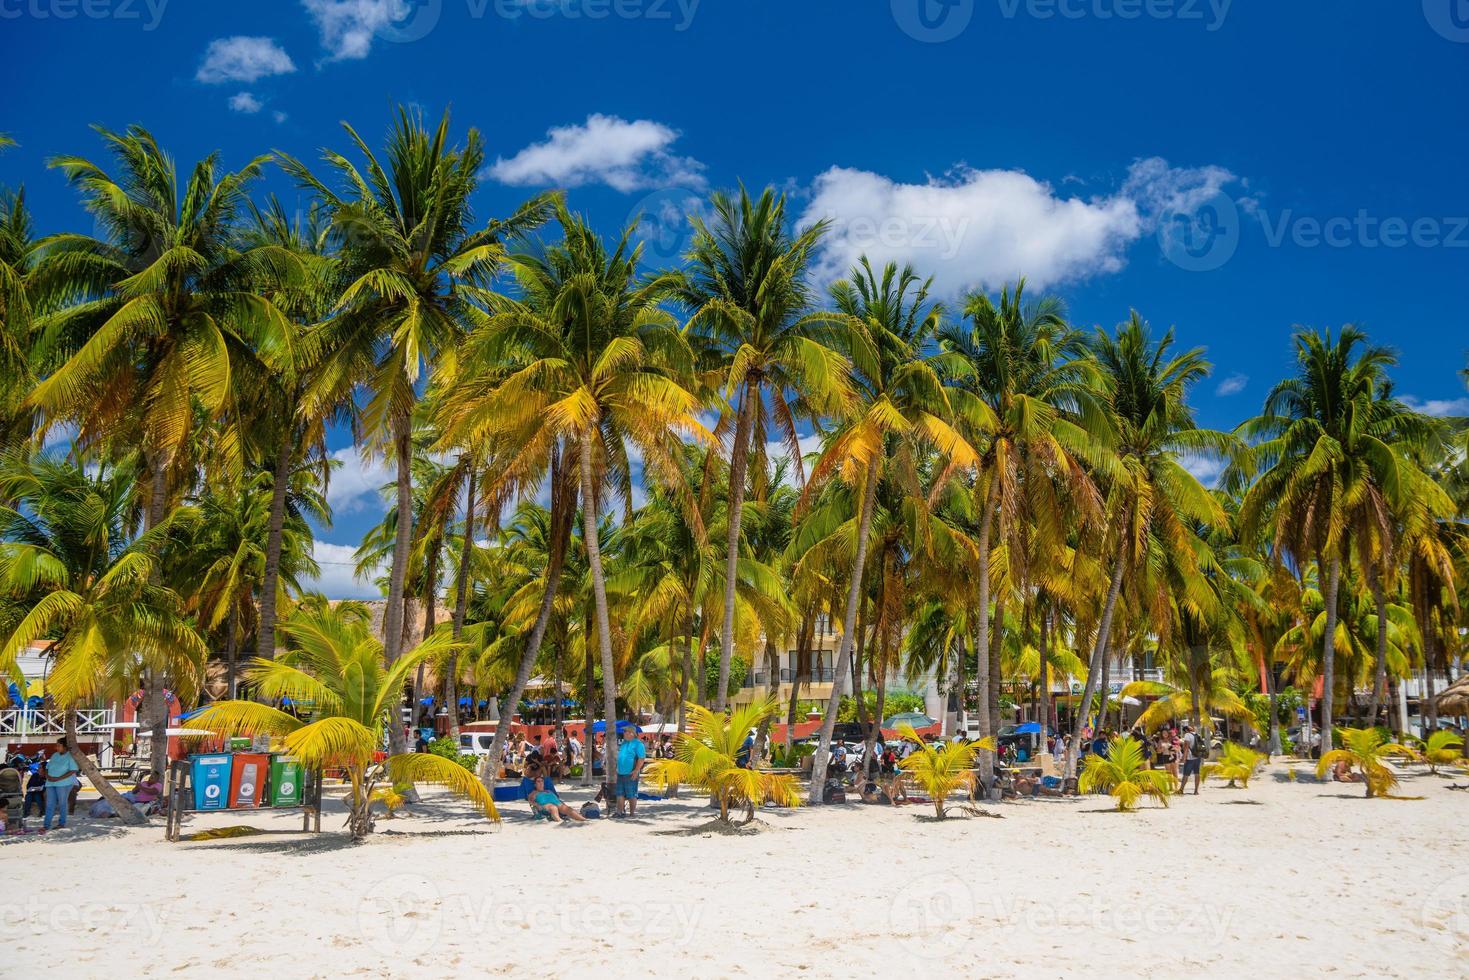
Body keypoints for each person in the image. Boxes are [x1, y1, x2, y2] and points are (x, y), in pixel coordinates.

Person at [43, 736, 80, 831]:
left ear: (65, 747)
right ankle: (46, 825)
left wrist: (59, 778)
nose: (57, 747)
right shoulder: (54, 755)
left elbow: (73, 770)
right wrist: (47, 776)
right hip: (50, 783)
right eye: (57, 745)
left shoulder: (70, 756)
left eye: (59, 745)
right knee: (50, 804)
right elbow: (47, 767)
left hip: (64, 784)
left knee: (62, 804)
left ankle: (61, 823)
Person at [613, 725, 646, 818]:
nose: (623, 733)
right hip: (620, 772)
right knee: (620, 793)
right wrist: (617, 768)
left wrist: (636, 770)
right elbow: (620, 757)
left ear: (631, 733)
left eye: (625, 731)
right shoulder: (624, 743)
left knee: (631, 794)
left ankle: (632, 813)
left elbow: (641, 758)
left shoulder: (638, 744)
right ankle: (619, 812)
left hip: (630, 772)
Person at [1179, 725, 1204, 795]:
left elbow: (1186, 747)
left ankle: (1181, 790)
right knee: (1197, 773)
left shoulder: (1187, 735)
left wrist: (1184, 758)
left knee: (1186, 775)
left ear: (1186, 730)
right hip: (1198, 757)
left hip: (1190, 758)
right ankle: (1196, 791)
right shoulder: (1197, 734)